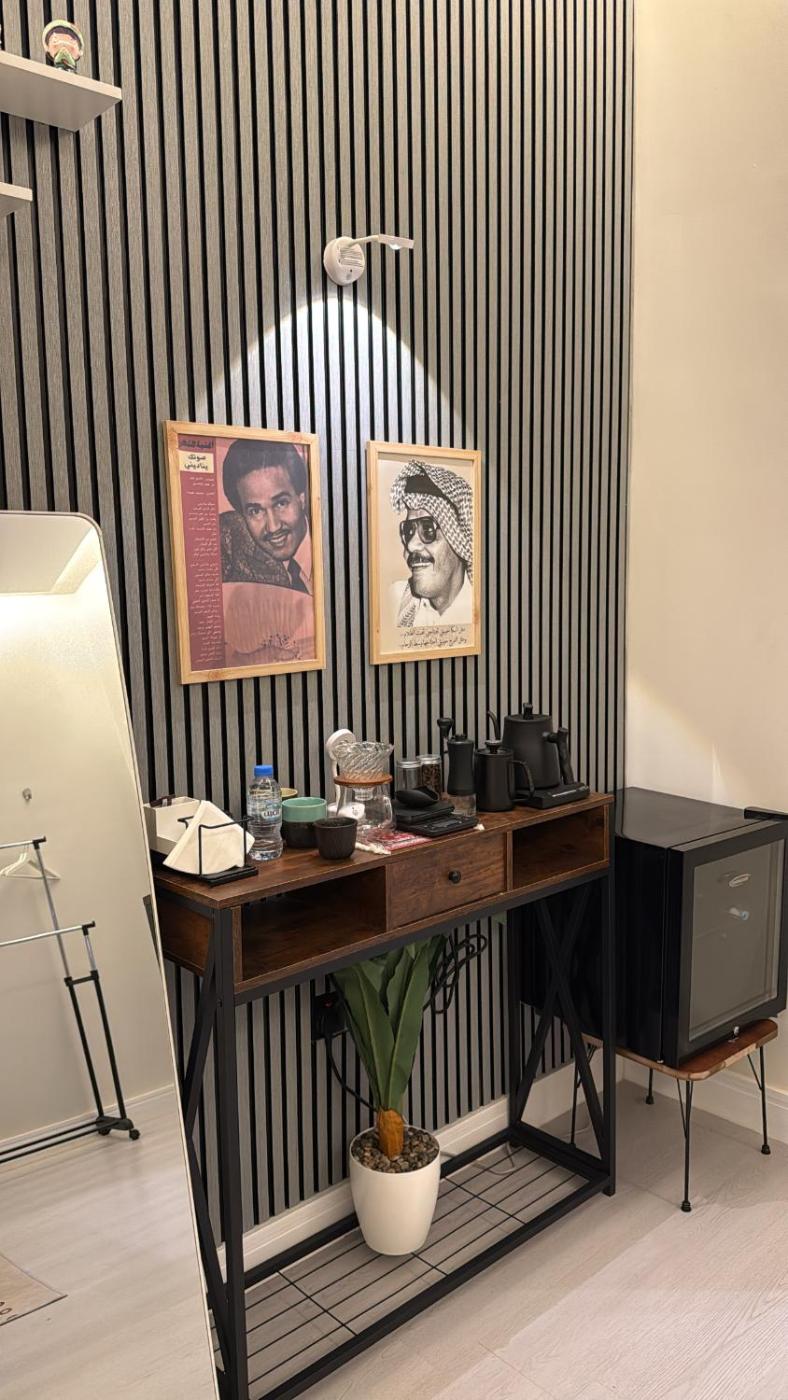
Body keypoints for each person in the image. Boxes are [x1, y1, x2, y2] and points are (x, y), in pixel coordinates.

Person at [220, 438, 313, 593]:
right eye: (255, 511)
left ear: (301, 498)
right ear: (243, 516)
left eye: (281, 503)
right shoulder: (232, 549)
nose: (273, 527)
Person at [389, 459, 474, 627]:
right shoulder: (395, 600)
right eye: (409, 530)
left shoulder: (482, 613)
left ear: (458, 539)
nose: (411, 546)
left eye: (428, 529)